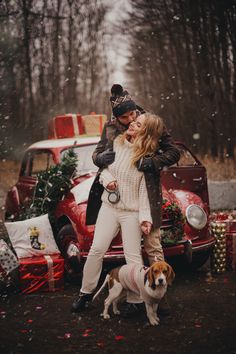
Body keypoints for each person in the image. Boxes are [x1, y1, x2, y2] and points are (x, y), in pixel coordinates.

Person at [71, 85, 180, 314]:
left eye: (134, 116)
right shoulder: (115, 136)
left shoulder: (150, 126)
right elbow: (101, 162)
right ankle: (86, 292)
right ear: (117, 117)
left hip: (135, 208)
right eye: (126, 117)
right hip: (110, 204)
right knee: (96, 248)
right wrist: (104, 163)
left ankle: (140, 299)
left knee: (144, 250)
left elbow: (172, 154)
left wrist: (152, 163)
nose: (132, 119)